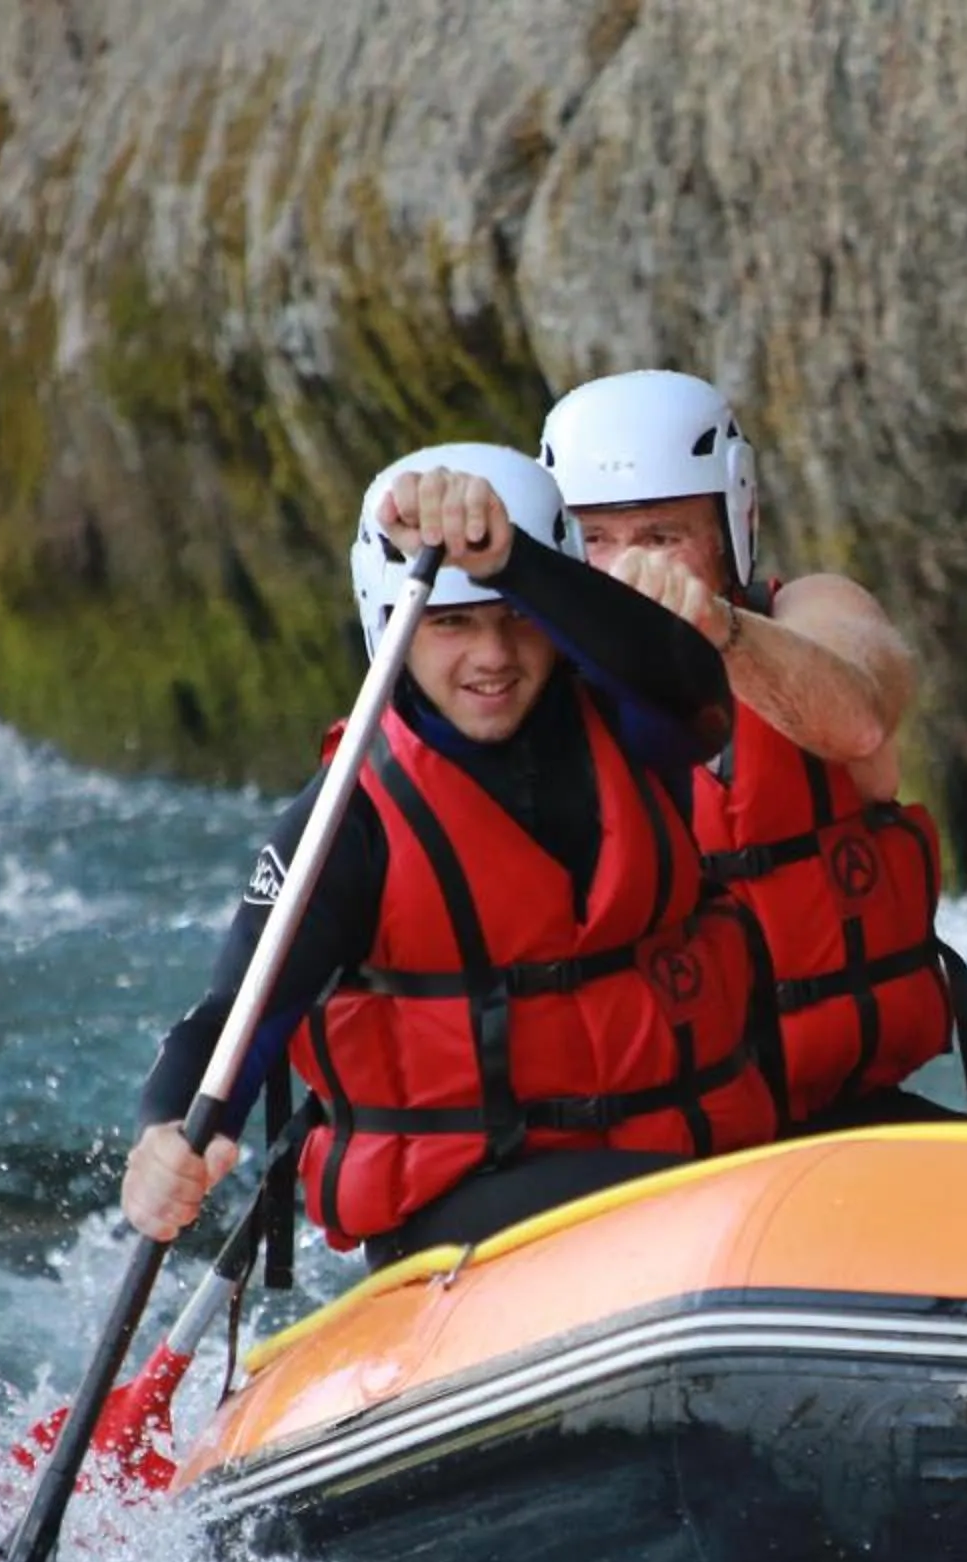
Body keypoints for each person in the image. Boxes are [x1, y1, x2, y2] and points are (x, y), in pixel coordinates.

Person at [120, 444, 778, 1268]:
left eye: (516, 617)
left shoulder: (638, 729)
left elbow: (698, 693)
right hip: (461, 1220)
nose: (493, 657)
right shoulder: (345, 824)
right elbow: (229, 1022)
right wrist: (162, 1136)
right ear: (390, 622)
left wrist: (509, 562)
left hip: (688, 1189)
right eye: (452, 622)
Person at [539, 369, 967, 1128]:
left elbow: (859, 724)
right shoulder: (527, 690)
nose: (625, 572)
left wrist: (716, 627)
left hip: (844, 1113)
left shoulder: (814, 612)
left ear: (730, 528)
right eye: (597, 542)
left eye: (660, 538)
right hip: (654, 1146)